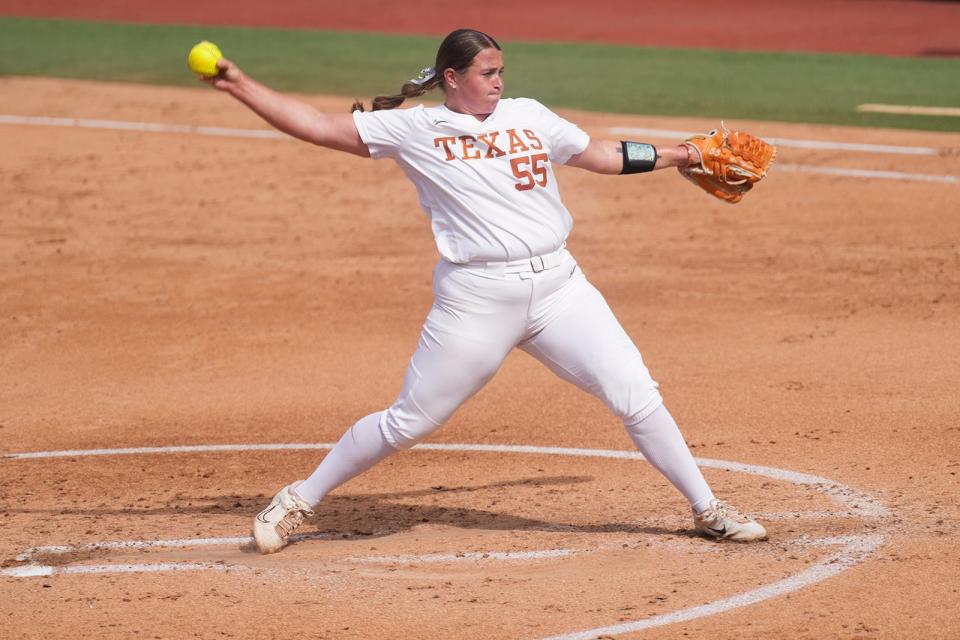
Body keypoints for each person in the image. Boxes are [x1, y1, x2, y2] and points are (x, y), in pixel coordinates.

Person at [202, 28, 767, 553]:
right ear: (452, 78)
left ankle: (706, 507)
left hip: (559, 288)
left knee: (635, 392)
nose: (498, 82)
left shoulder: (529, 116)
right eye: (487, 73)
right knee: (410, 422)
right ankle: (298, 499)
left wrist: (680, 155)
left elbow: (600, 155)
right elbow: (314, 125)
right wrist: (238, 84)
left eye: (501, 72)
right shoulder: (414, 129)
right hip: (476, 298)